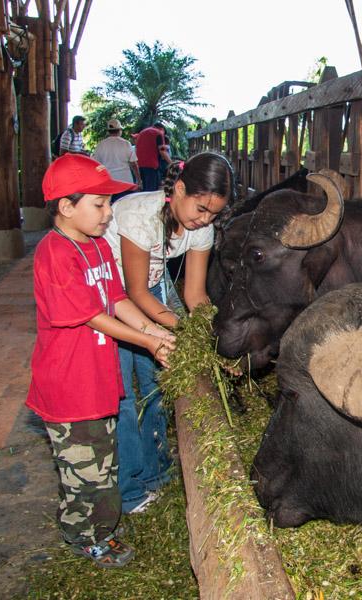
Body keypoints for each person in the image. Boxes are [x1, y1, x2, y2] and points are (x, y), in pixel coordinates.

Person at [26, 154, 177, 567]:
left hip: (97, 380)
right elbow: (92, 316)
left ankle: (102, 525)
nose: (109, 214)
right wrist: (146, 343)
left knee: (104, 462)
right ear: (66, 206)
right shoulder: (55, 253)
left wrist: (156, 331)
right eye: (99, 204)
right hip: (68, 388)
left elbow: (117, 299)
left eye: (110, 204)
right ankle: (83, 535)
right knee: (82, 474)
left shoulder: (94, 246)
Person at [103, 151, 234, 514]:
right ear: (179, 189)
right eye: (201, 208)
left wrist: (216, 336)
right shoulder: (139, 216)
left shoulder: (200, 229)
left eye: (213, 213)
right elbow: (135, 292)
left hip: (151, 291)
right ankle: (128, 487)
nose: (204, 219)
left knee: (157, 384)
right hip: (110, 295)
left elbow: (194, 294)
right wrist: (181, 332)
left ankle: (156, 472)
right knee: (123, 396)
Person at [93, 118, 142, 202]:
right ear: (120, 130)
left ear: (108, 131)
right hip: (125, 182)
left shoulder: (101, 145)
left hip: (108, 182)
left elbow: (96, 164)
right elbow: (133, 164)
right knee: (125, 206)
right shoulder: (126, 144)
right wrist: (138, 179)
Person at [135, 122, 172, 191]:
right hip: (151, 166)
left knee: (145, 189)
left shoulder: (142, 132)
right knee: (151, 192)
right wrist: (172, 163)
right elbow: (162, 151)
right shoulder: (158, 133)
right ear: (162, 129)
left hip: (140, 165)